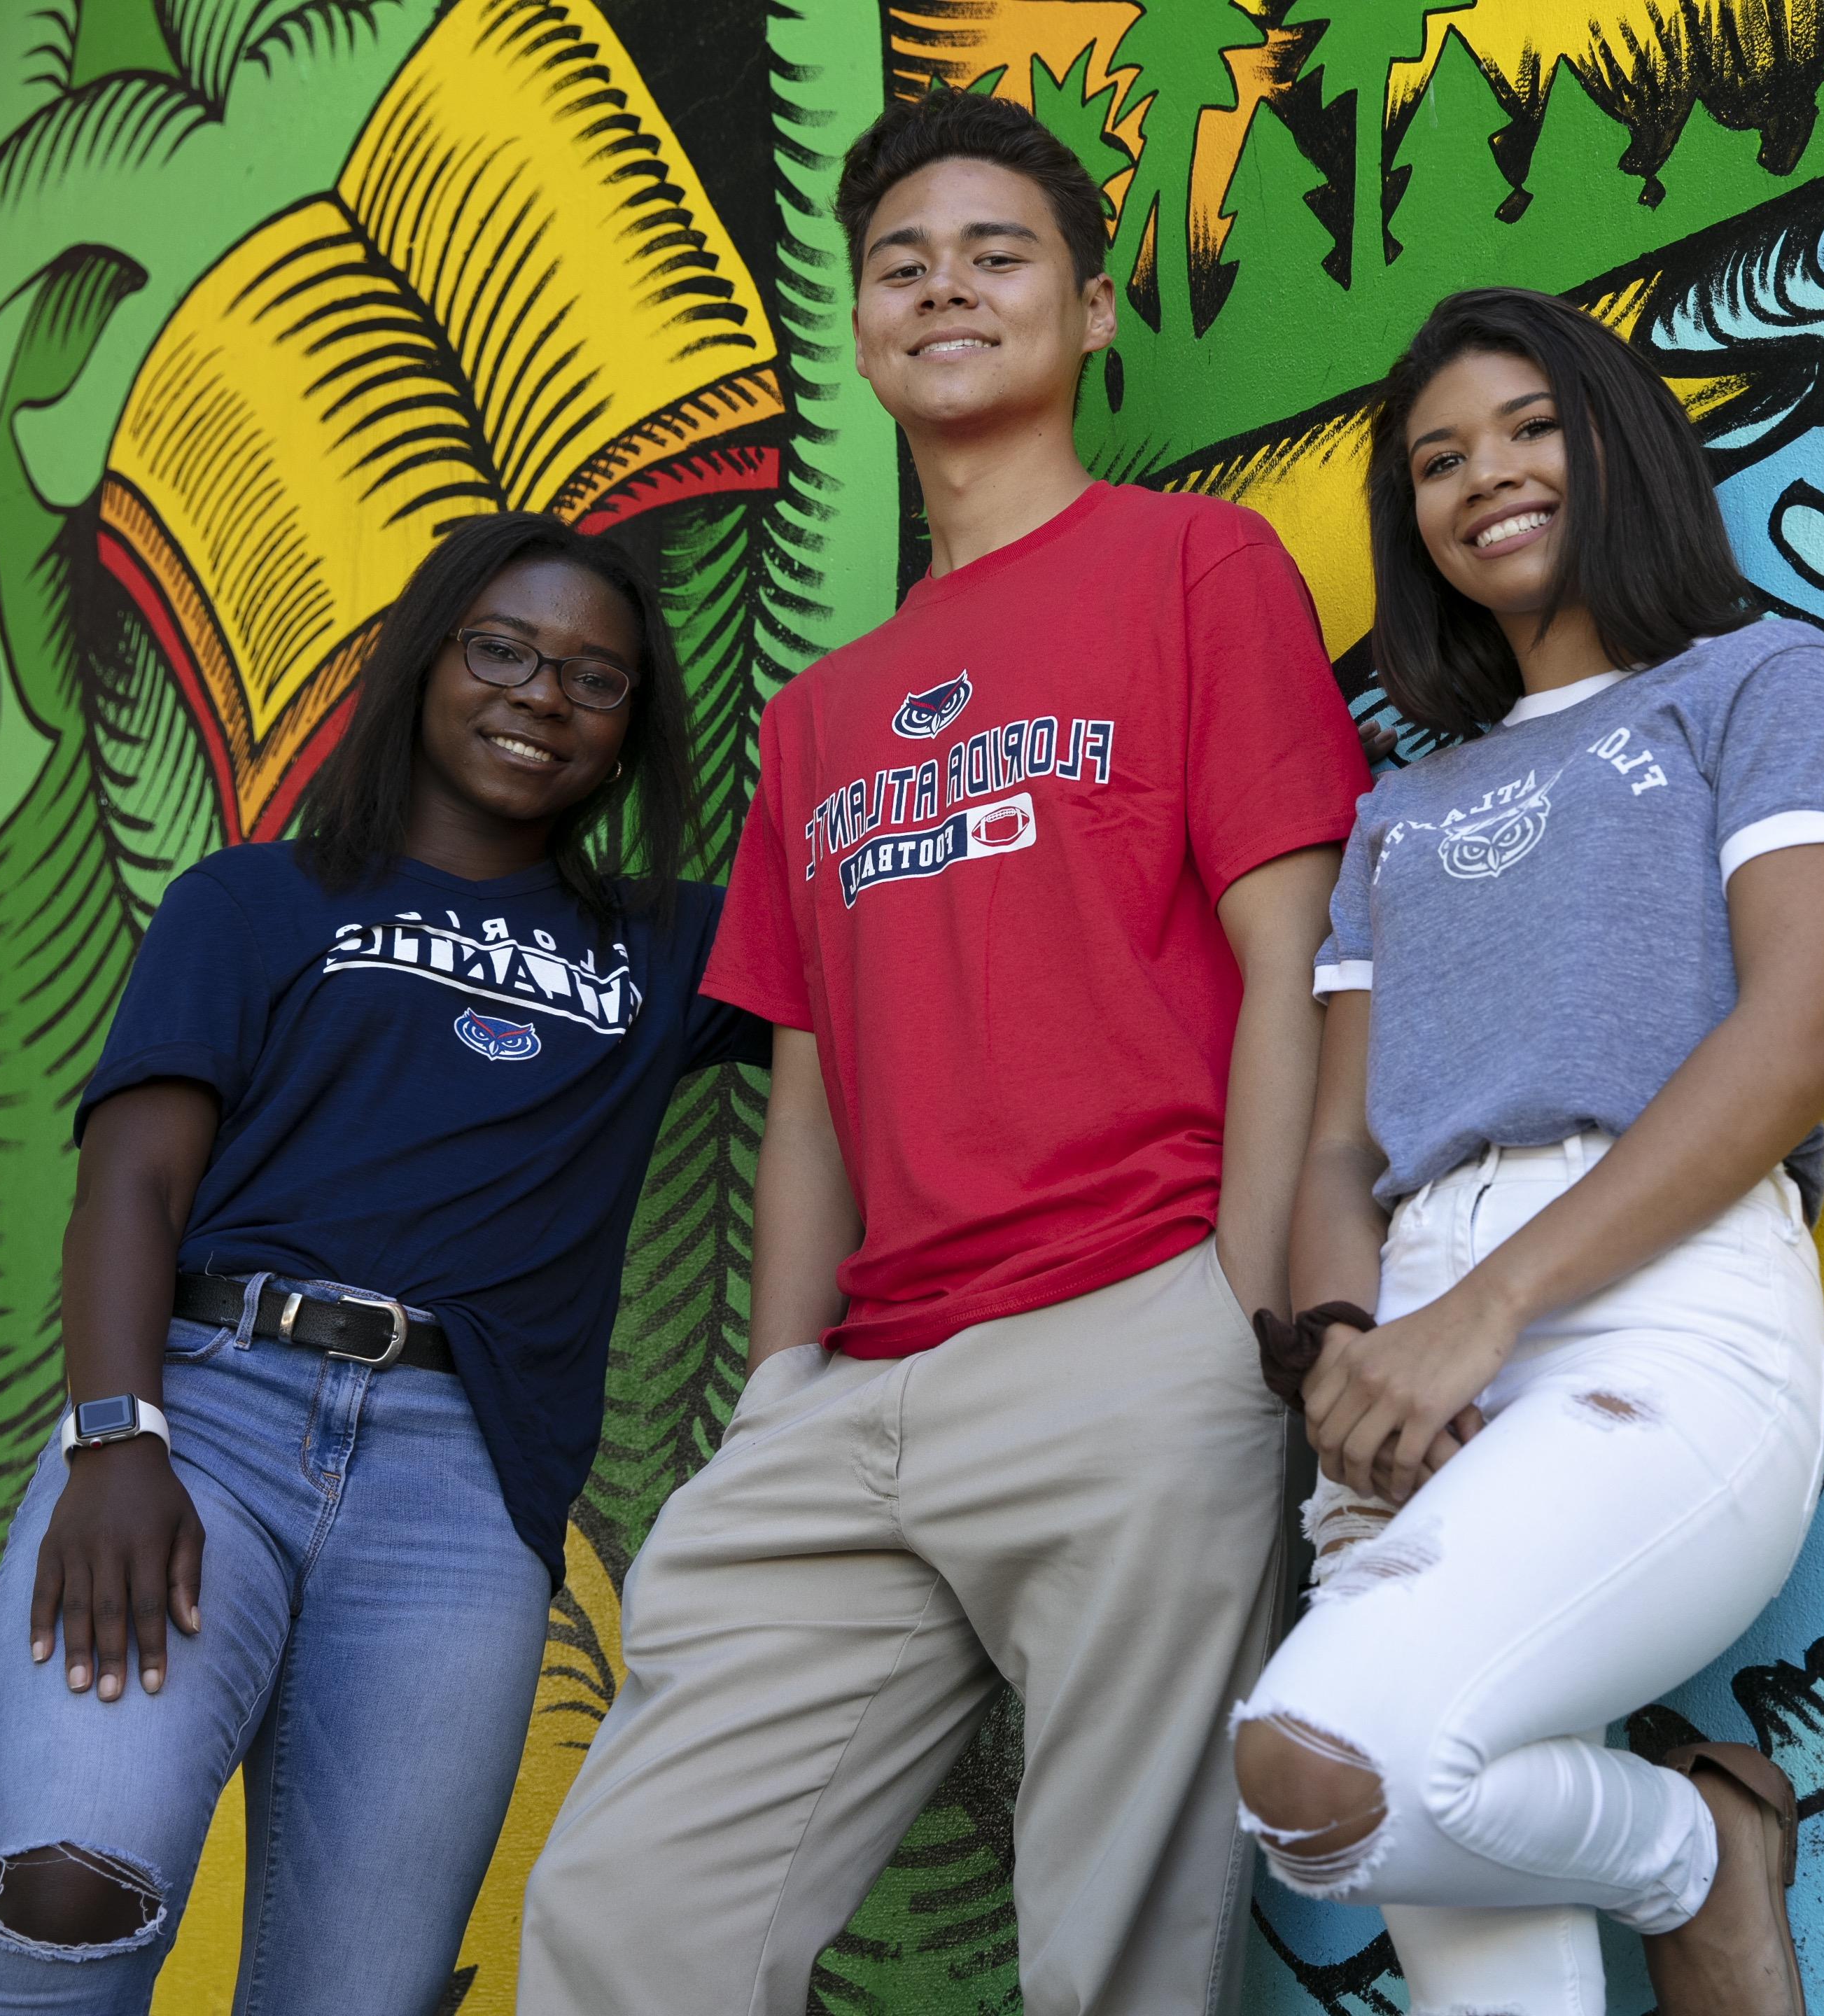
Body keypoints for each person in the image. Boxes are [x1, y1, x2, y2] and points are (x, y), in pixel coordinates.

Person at [517, 89, 1370, 2016]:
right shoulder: (821, 716)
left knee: (1113, 1960)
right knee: (628, 1924)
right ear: (864, 326)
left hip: (1135, 1336)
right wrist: (775, 1391)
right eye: (901, 264)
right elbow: (811, 1079)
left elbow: (1295, 949)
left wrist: (1241, 1317)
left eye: (998, 255)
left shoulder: (1193, 569)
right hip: (861, 1395)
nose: (943, 289)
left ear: (1088, 316)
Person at [0, 512, 763, 2015]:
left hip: (457, 1500)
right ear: (427, 664)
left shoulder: (667, 952)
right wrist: (116, 1441)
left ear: (631, 726)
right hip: (208, 1427)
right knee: (71, 1888)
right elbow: (132, 1181)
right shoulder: (252, 900)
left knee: (358, 1997)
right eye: (504, 651)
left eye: (596, 678)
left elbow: (904, 932)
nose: (542, 695)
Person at [1230, 288, 1824, 2016]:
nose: (1489, 478)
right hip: (1405, 1363)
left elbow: (1806, 1033)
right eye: (1440, 460)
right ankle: (1694, 1850)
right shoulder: (1404, 806)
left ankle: (1691, 1854)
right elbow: (1336, 1151)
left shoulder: (1762, 681)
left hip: (1653, 1319)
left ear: (1620, 444)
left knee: (1324, 1767)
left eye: (1532, 427)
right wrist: (1345, 1354)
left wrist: (1493, 1305)